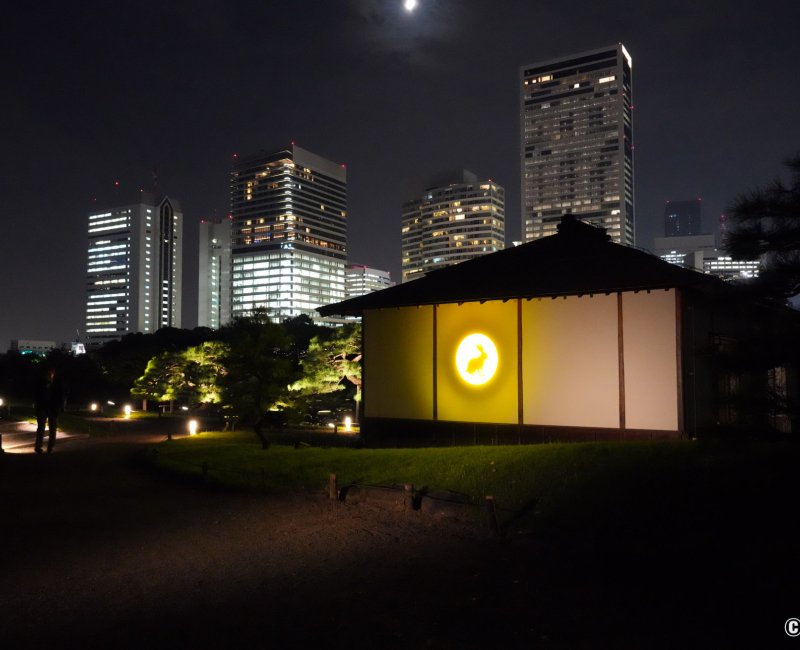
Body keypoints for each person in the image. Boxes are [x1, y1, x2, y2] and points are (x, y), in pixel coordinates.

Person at [34, 367, 62, 454]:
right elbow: (38, 395)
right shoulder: (42, 383)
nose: (50, 375)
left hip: (51, 408)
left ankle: (49, 447)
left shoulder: (56, 384)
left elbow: (59, 396)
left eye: (51, 373)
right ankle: (39, 447)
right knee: (42, 428)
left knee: (51, 429)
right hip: (44, 407)